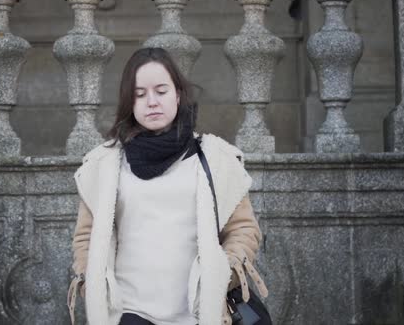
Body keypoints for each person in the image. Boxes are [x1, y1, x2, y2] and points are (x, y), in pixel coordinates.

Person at [67, 47, 268, 325]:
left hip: (199, 315)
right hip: (129, 314)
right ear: (130, 103)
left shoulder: (215, 159)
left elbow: (244, 229)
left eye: (161, 91)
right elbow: (85, 238)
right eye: (140, 94)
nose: (151, 101)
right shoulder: (105, 164)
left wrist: (222, 272)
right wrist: (93, 282)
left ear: (178, 94)